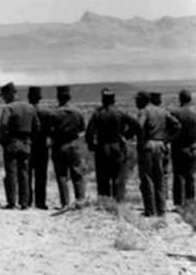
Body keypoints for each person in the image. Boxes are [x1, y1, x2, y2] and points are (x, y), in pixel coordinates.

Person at [84, 88, 137, 202]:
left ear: (103, 100)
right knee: (118, 176)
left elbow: (89, 132)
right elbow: (135, 125)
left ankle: (105, 202)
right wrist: (126, 136)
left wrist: (92, 146)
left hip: (102, 148)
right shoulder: (121, 113)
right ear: (114, 100)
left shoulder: (97, 114)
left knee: (103, 178)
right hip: (118, 146)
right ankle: (119, 203)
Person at [137, 89, 181, 217]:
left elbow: (139, 126)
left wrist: (141, 140)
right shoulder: (163, 111)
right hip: (161, 145)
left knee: (147, 178)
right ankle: (162, 210)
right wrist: (168, 139)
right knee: (160, 178)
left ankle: (150, 211)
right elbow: (177, 125)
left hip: (148, 145)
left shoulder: (144, 111)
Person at [0, 82, 39, 209]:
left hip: (12, 142)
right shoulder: (30, 107)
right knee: (24, 173)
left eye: (4, 95)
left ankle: (11, 202)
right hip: (26, 143)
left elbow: (3, 125)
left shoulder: (8, 108)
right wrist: (31, 140)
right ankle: (25, 202)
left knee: (11, 173)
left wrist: (4, 141)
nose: (3, 98)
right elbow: (37, 126)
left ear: (9, 93)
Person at [49, 85, 87, 210]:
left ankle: (65, 203)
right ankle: (80, 201)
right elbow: (82, 128)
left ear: (58, 97)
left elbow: (50, 130)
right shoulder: (77, 112)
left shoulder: (54, 113)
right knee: (77, 173)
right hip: (74, 144)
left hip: (59, 145)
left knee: (61, 175)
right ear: (69, 97)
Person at [27, 86, 51, 210]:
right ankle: (40, 202)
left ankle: (27, 200)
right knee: (41, 175)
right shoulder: (46, 112)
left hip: (29, 145)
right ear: (40, 98)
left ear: (28, 97)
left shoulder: (26, 111)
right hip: (42, 146)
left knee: (27, 174)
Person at [171, 89, 196, 209]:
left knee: (178, 175)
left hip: (178, 147)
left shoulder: (175, 112)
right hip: (192, 147)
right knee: (190, 176)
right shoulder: (194, 113)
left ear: (180, 98)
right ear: (190, 99)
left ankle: (179, 204)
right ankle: (190, 202)